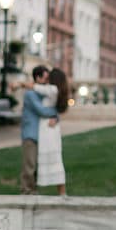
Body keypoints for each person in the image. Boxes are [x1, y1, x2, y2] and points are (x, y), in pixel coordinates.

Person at [20, 65, 58, 194]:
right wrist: (56, 113)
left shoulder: (43, 93)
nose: (48, 81)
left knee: (36, 165)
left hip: (41, 134)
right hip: (30, 134)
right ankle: (26, 190)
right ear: (38, 78)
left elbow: (51, 107)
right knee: (29, 165)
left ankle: (33, 190)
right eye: (46, 78)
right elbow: (42, 110)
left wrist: (56, 116)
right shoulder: (31, 95)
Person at [35, 67, 69, 195]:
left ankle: (59, 191)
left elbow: (34, 87)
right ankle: (61, 191)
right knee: (55, 158)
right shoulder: (56, 90)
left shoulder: (51, 89)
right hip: (52, 128)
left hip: (46, 128)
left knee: (48, 157)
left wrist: (19, 84)